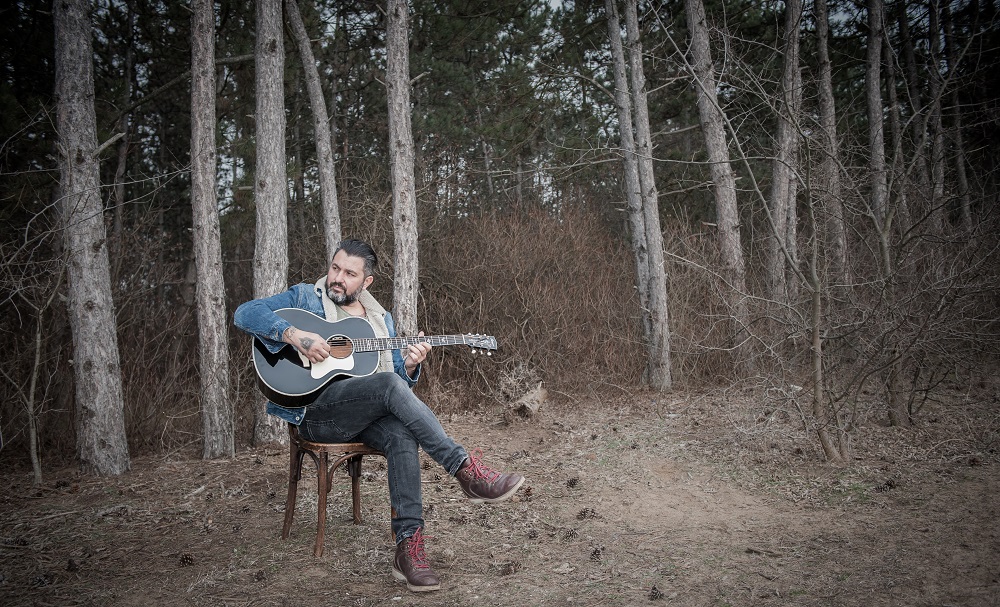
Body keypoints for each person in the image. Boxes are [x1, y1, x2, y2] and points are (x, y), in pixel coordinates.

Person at [234, 238, 524, 592]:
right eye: (335, 268)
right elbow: (244, 313)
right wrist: (295, 335)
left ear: (366, 281)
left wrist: (410, 366)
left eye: (349, 274)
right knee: (388, 385)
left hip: (362, 415)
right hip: (316, 414)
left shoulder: (379, 320)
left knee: (401, 432)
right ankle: (463, 469)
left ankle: (408, 550)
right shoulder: (306, 297)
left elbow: (395, 383)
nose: (337, 278)